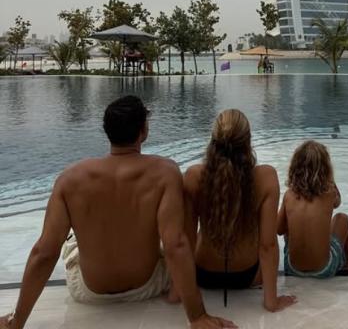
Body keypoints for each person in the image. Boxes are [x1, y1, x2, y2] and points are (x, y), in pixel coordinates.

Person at [0, 96, 234, 329]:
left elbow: (44, 253)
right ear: (144, 131)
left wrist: (16, 320)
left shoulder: (70, 179)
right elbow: (176, 245)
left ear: (107, 131)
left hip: (88, 292)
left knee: (69, 242)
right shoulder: (165, 173)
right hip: (147, 286)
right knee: (166, 236)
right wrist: (197, 316)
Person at [181, 109, 296, 312]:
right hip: (248, 275)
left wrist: (178, 291)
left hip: (202, 274)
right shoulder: (266, 178)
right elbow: (268, 245)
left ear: (213, 141)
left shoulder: (193, 176)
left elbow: (186, 240)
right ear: (248, 141)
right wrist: (272, 301)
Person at [277, 140, 348, 278]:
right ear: (326, 169)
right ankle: (347, 262)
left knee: (290, 221)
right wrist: (330, 179)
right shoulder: (329, 194)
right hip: (324, 269)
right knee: (343, 218)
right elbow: (338, 203)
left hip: (293, 268)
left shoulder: (289, 195)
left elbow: (279, 229)